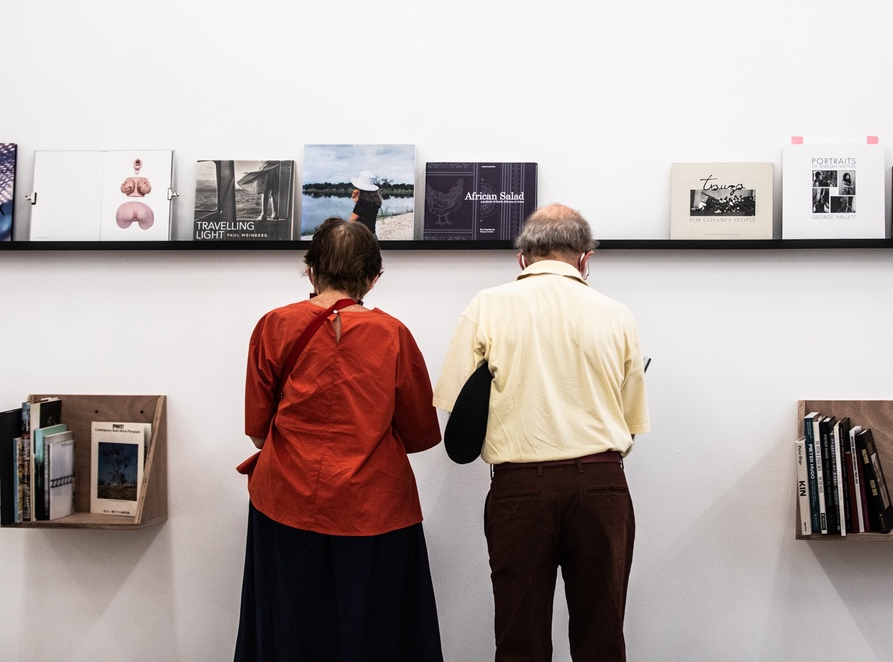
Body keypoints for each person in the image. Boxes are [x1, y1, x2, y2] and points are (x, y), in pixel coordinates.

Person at [433, 203, 650, 662]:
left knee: (519, 637)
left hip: (518, 489)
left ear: (522, 259)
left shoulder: (487, 306)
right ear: (585, 259)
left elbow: (455, 403)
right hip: (602, 486)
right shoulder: (617, 313)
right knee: (602, 636)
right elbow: (632, 422)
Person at [235, 217, 444, 662]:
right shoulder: (394, 335)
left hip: (285, 501)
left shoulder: (274, 325)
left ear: (310, 270)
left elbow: (257, 431)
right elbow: (423, 434)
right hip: (374, 508)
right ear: (373, 278)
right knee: (375, 630)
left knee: (289, 626)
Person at [349, 170, 383, 235]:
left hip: (362, 235)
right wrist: (356, 201)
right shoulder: (375, 201)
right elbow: (365, 215)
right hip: (372, 234)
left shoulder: (362, 202)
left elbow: (351, 221)